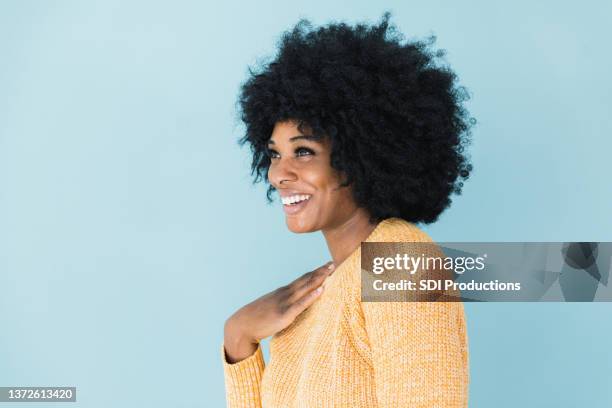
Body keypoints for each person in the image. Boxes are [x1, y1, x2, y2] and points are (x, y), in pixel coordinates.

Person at [222, 12, 473, 407]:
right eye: (274, 155)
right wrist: (238, 338)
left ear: (359, 156)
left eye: (303, 152)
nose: (278, 174)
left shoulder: (400, 260)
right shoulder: (309, 304)